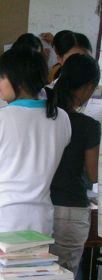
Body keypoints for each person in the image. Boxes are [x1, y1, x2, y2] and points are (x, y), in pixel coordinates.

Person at [0, 47, 71, 243]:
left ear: (17, 81)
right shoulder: (61, 118)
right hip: (39, 224)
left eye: (2, 77)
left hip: (0, 222)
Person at [47, 54, 100, 277]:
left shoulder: (44, 113)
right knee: (64, 273)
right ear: (88, 87)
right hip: (70, 209)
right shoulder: (88, 125)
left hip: (39, 206)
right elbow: (92, 173)